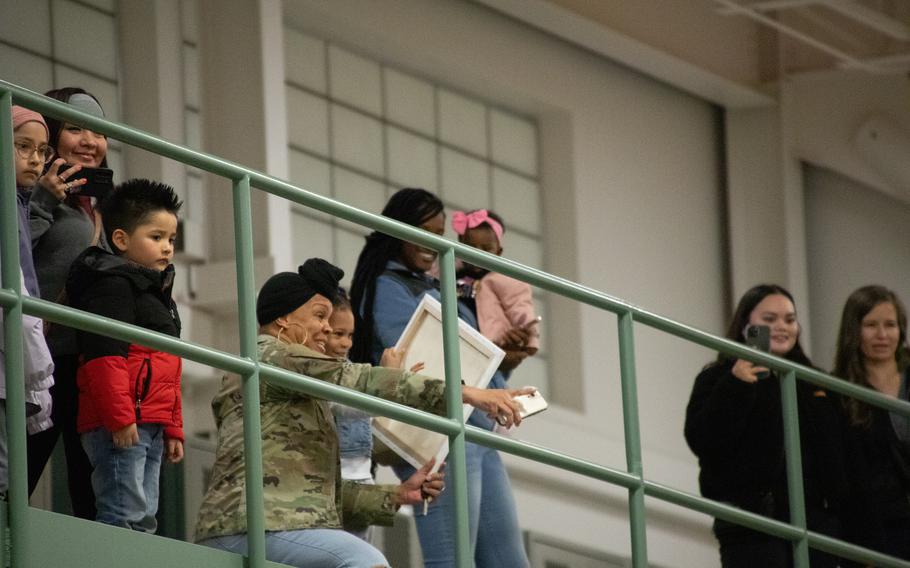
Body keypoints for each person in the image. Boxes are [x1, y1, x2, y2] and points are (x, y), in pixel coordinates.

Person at [194, 258, 526, 568]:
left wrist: (396, 495)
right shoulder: (273, 356)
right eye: (319, 316)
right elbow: (357, 380)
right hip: (252, 525)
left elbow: (314, 495)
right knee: (367, 562)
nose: (326, 328)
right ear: (283, 318)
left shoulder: (293, 379)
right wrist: (466, 393)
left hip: (264, 525)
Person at [350, 188, 532, 567]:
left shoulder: (436, 284)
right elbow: (420, 367)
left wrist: (506, 371)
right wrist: (480, 394)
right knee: (453, 561)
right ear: (398, 230)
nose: (434, 243)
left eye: (439, 232)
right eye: (423, 230)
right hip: (439, 435)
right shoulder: (386, 286)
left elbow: (465, 360)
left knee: (510, 562)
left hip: (475, 431)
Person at [684, 284, 845, 567]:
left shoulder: (815, 383)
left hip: (816, 527)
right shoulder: (718, 377)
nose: (782, 327)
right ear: (746, 325)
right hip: (751, 524)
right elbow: (703, 440)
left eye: (789, 319)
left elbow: (840, 463)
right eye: (769, 320)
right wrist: (736, 385)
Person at [65, 179, 184, 532]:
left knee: (144, 518)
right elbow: (104, 357)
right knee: (122, 515)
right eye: (156, 237)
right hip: (122, 422)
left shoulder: (159, 295)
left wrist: (173, 427)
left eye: (172, 240)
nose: (167, 248)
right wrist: (118, 418)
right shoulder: (112, 284)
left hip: (150, 422)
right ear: (121, 240)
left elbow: (169, 367)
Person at [27, 87, 109, 517]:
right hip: (41, 361)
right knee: (18, 473)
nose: (89, 140)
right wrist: (42, 199)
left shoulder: (103, 208)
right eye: (74, 128)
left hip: (90, 365)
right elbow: (14, 253)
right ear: (52, 135)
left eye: (97, 131)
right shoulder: (28, 192)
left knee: (93, 494)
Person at [0, 106, 58, 494]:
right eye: (23, 146)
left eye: (42, 150)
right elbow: (16, 287)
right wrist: (38, 371)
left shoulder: (19, 201)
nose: (35, 158)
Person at [833, 285, 910, 560]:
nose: (882, 335)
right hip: (877, 531)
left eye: (890, 325)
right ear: (854, 331)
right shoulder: (837, 392)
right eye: (871, 325)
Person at [452, 208, 540, 374]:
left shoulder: (504, 279)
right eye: (471, 247)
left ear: (498, 252)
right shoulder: (450, 271)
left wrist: (529, 333)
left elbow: (520, 305)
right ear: (460, 245)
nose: (478, 254)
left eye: (486, 249)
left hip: (494, 341)